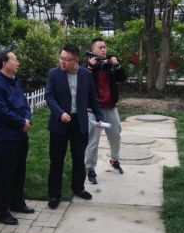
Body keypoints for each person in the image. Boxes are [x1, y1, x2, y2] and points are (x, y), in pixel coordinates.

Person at [44, 44, 104, 210]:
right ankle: (54, 194)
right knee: (56, 160)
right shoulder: (54, 73)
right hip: (59, 122)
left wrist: (99, 117)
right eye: (61, 58)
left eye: (66, 59)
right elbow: (49, 96)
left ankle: (78, 188)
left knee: (78, 158)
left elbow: (93, 98)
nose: (62, 62)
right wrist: (60, 113)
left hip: (79, 122)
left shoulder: (86, 74)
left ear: (76, 60)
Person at [0, 50, 33, 225]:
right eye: (15, 60)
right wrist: (21, 122)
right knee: (4, 175)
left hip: (21, 135)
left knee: (19, 171)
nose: (18, 62)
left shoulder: (16, 80)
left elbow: (24, 103)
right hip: (6, 137)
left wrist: (27, 119)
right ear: (4, 64)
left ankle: (17, 202)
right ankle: (1, 211)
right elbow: (1, 111)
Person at [84, 38, 127, 183]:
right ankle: (90, 168)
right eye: (100, 47)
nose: (103, 50)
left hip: (110, 107)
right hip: (94, 110)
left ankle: (114, 160)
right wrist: (90, 68)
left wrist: (118, 65)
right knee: (93, 141)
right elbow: (81, 83)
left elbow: (123, 78)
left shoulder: (110, 64)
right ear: (93, 50)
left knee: (116, 137)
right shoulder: (87, 66)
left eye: (105, 47)